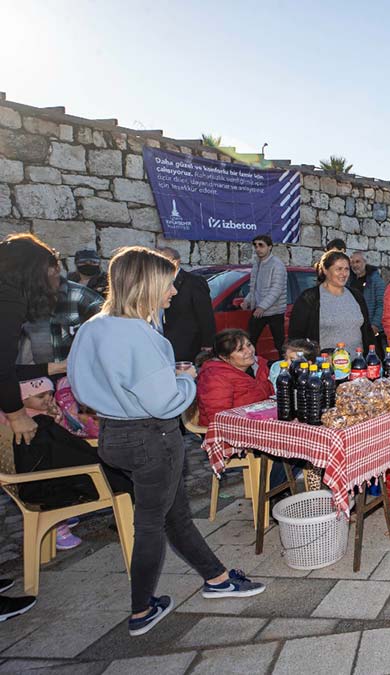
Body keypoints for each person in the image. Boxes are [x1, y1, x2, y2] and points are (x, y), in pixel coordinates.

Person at [68, 246, 265, 637]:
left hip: (113, 436)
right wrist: (184, 378)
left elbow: (81, 387)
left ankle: (216, 577)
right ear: (145, 285)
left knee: (172, 515)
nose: (173, 293)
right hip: (151, 437)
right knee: (152, 524)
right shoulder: (142, 335)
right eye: (167, 286)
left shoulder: (93, 327)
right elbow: (165, 402)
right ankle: (141, 610)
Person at [0, 233, 66, 620]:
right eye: (52, 271)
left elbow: (7, 368)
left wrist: (50, 369)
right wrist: (17, 412)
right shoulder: (8, 300)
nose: (55, 280)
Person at [3, 376, 132, 550]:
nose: (48, 399)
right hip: (51, 483)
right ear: (22, 400)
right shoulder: (28, 425)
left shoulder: (40, 420)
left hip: (56, 475)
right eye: (41, 397)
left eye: (50, 394)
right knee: (123, 472)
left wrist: (57, 419)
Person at [290, 250, 374, 354]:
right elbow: (296, 338)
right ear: (325, 270)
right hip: (326, 366)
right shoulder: (309, 298)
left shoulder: (356, 296)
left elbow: (367, 332)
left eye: (346, 269)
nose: (343, 274)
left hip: (358, 365)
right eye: (338, 269)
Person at [16, 276, 104, 365]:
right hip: (38, 375)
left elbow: (106, 351)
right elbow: (22, 358)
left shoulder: (85, 299)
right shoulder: (18, 299)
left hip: (80, 375)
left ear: (56, 268)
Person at [195, 329, 274, 427]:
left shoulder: (259, 366)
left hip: (262, 421)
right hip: (231, 430)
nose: (249, 351)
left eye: (249, 345)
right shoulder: (215, 377)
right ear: (224, 357)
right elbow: (219, 417)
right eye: (240, 350)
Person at [159, 247, 217, 363]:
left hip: (187, 344)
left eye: (161, 260)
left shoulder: (194, 282)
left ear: (176, 261)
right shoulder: (157, 281)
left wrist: (207, 343)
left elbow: (205, 314)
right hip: (165, 342)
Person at [244, 235, 287, 357]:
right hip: (259, 310)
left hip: (275, 311)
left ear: (270, 247)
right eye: (255, 245)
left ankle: (285, 369)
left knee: (280, 344)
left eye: (261, 245)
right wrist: (247, 300)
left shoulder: (277, 265)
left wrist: (262, 307)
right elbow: (254, 287)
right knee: (249, 341)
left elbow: (276, 290)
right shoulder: (257, 264)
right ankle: (252, 368)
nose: (258, 248)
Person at [348, 252, 387, 345]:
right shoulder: (349, 281)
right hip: (353, 329)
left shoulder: (376, 281)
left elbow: (382, 304)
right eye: (352, 262)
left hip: (371, 329)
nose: (355, 265)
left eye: (358, 262)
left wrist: (375, 325)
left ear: (365, 262)